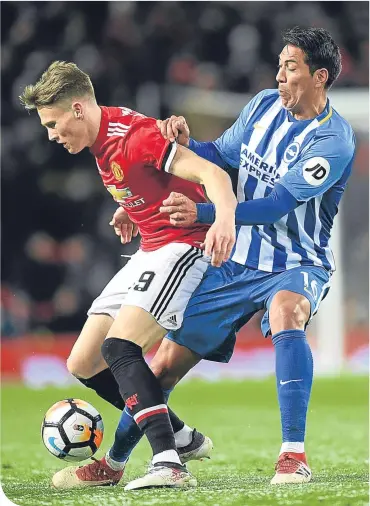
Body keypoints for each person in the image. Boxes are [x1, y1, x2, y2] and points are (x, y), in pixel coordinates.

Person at [84, 26, 355, 486]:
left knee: (288, 313)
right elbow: (221, 156)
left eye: (291, 68)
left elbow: (277, 206)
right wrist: (186, 143)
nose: (280, 76)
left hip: (296, 260)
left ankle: (293, 455)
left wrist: (206, 211)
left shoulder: (334, 140)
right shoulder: (262, 106)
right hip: (233, 257)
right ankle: (114, 462)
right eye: (280, 66)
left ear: (319, 77)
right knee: (165, 361)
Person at [20, 61, 237, 491]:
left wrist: (225, 220)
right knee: (83, 361)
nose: (51, 134)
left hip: (183, 244)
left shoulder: (136, 139)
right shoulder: (104, 137)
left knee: (121, 347)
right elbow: (145, 179)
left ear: (78, 109)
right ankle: (178, 434)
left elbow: (213, 175)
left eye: (54, 123)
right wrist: (134, 206)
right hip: (150, 246)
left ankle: (169, 463)